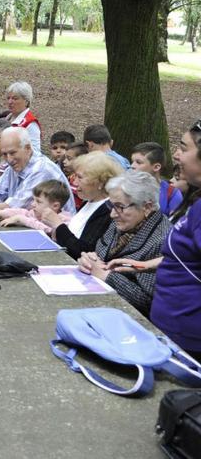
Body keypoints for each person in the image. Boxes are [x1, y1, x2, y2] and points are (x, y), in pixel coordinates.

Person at [78, 171, 171, 317]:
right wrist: (90, 261)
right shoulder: (125, 222)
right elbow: (101, 253)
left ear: (146, 207)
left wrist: (107, 276)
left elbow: (148, 302)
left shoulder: (163, 240)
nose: (112, 214)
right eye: (111, 205)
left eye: (119, 207)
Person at [149, 120, 201, 359]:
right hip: (175, 331)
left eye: (184, 147)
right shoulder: (194, 200)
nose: (177, 155)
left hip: (188, 339)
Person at [0, 127, 75, 212]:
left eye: (12, 153)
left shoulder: (41, 170)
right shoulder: (18, 163)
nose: (9, 159)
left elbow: (13, 207)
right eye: (5, 154)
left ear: (27, 148)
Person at [45, 152, 123, 259]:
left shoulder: (107, 210)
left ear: (100, 182)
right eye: (75, 176)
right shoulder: (88, 201)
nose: (75, 182)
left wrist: (58, 225)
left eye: (80, 177)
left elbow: (84, 250)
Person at [0, 180, 73, 235]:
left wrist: (22, 219)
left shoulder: (64, 219)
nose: (33, 204)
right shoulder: (37, 213)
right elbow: (22, 212)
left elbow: (49, 230)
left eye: (38, 201)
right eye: (34, 200)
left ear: (55, 206)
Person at [131, 142, 183, 217]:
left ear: (156, 167)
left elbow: (173, 225)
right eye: (132, 161)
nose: (132, 166)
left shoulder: (172, 194)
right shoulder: (125, 187)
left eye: (138, 162)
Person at [4, 81, 42, 155]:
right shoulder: (6, 118)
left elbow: (35, 153)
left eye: (15, 98)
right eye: (8, 98)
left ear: (26, 101)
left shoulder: (30, 123)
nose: (10, 102)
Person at [63, 141, 89, 209]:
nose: (64, 161)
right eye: (64, 158)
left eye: (69, 158)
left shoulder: (85, 181)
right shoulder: (70, 177)